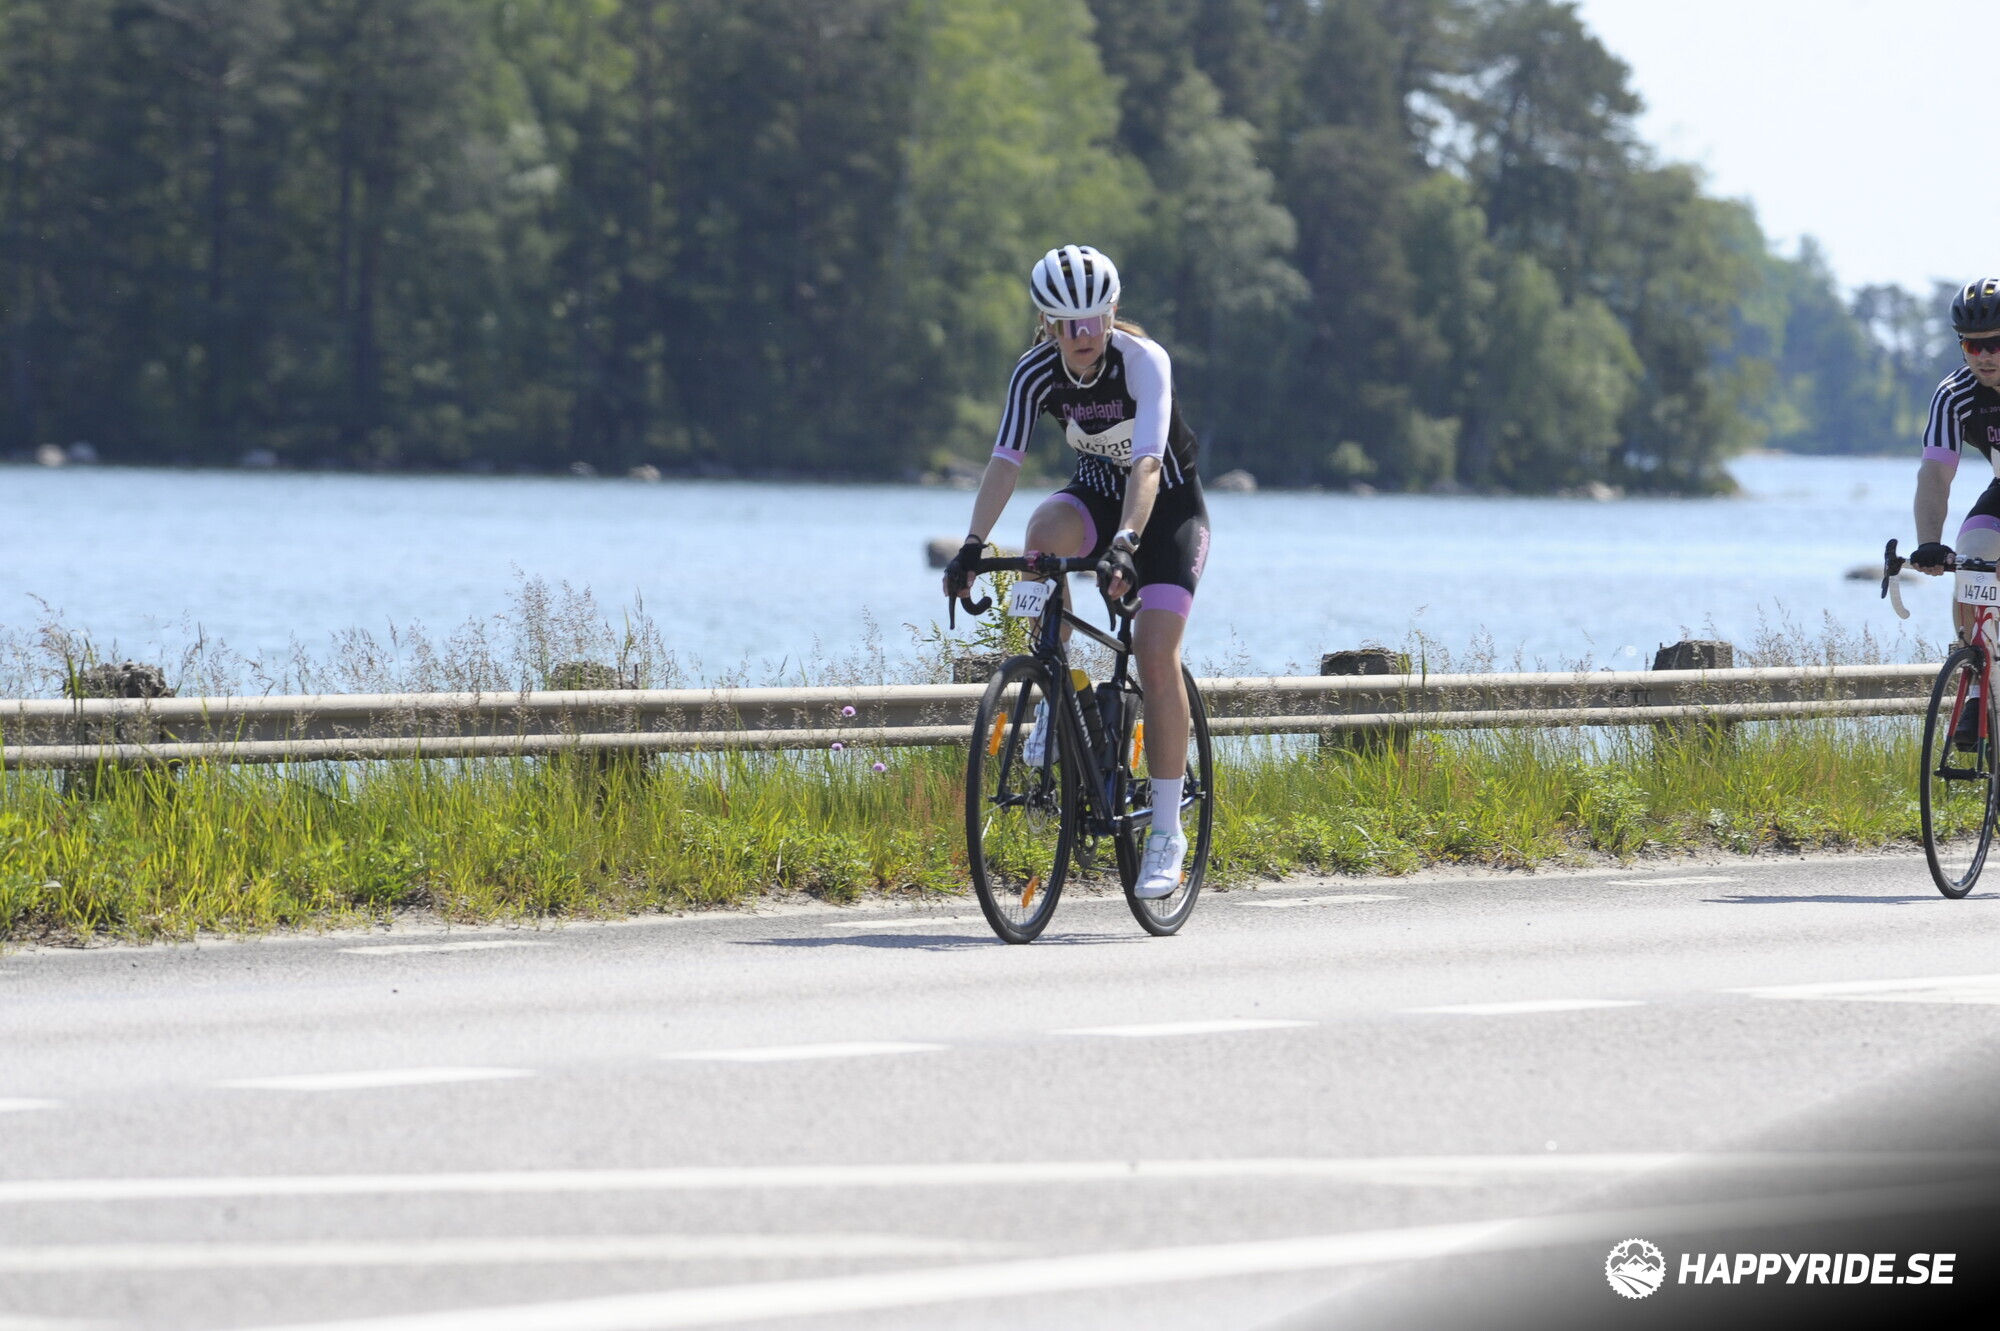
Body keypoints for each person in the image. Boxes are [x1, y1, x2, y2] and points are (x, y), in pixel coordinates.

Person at [941, 244, 1210, 899]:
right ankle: (1055, 696)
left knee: (1154, 652)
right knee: (1040, 537)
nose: (1082, 334)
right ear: (1047, 323)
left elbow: (1147, 463)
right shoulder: (1035, 371)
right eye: (1067, 324)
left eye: (1092, 319)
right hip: (1094, 493)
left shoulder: (1143, 361)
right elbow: (1005, 460)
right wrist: (973, 543)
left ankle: (1166, 831)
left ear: (1112, 313)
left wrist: (1126, 542)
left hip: (1166, 509)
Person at [1912, 277, 2000, 747]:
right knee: (1972, 555)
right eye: (1971, 345)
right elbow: (1934, 475)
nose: (1983, 356)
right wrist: (1930, 543)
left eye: (1995, 344)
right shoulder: (1955, 394)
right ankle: (1978, 690)